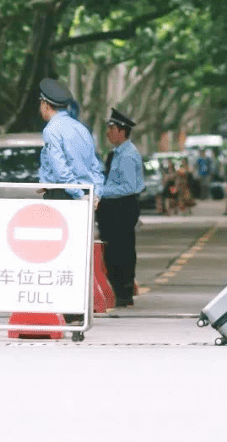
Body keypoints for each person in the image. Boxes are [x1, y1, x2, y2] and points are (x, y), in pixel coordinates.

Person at [96, 108, 145, 307]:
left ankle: (123, 292)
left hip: (122, 208)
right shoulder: (117, 153)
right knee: (114, 250)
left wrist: (101, 192)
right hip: (113, 209)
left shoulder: (127, 155)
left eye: (111, 128)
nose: (108, 133)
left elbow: (128, 186)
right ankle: (118, 290)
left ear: (122, 131)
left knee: (121, 250)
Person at [37, 78, 104, 196]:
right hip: (88, 195)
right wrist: (96, 194)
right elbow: (95, 166)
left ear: (46, 105)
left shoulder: (51, 130)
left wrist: (79, 195)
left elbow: (61, 170)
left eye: (40, 103)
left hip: (64, 195)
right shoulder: (82, 129)